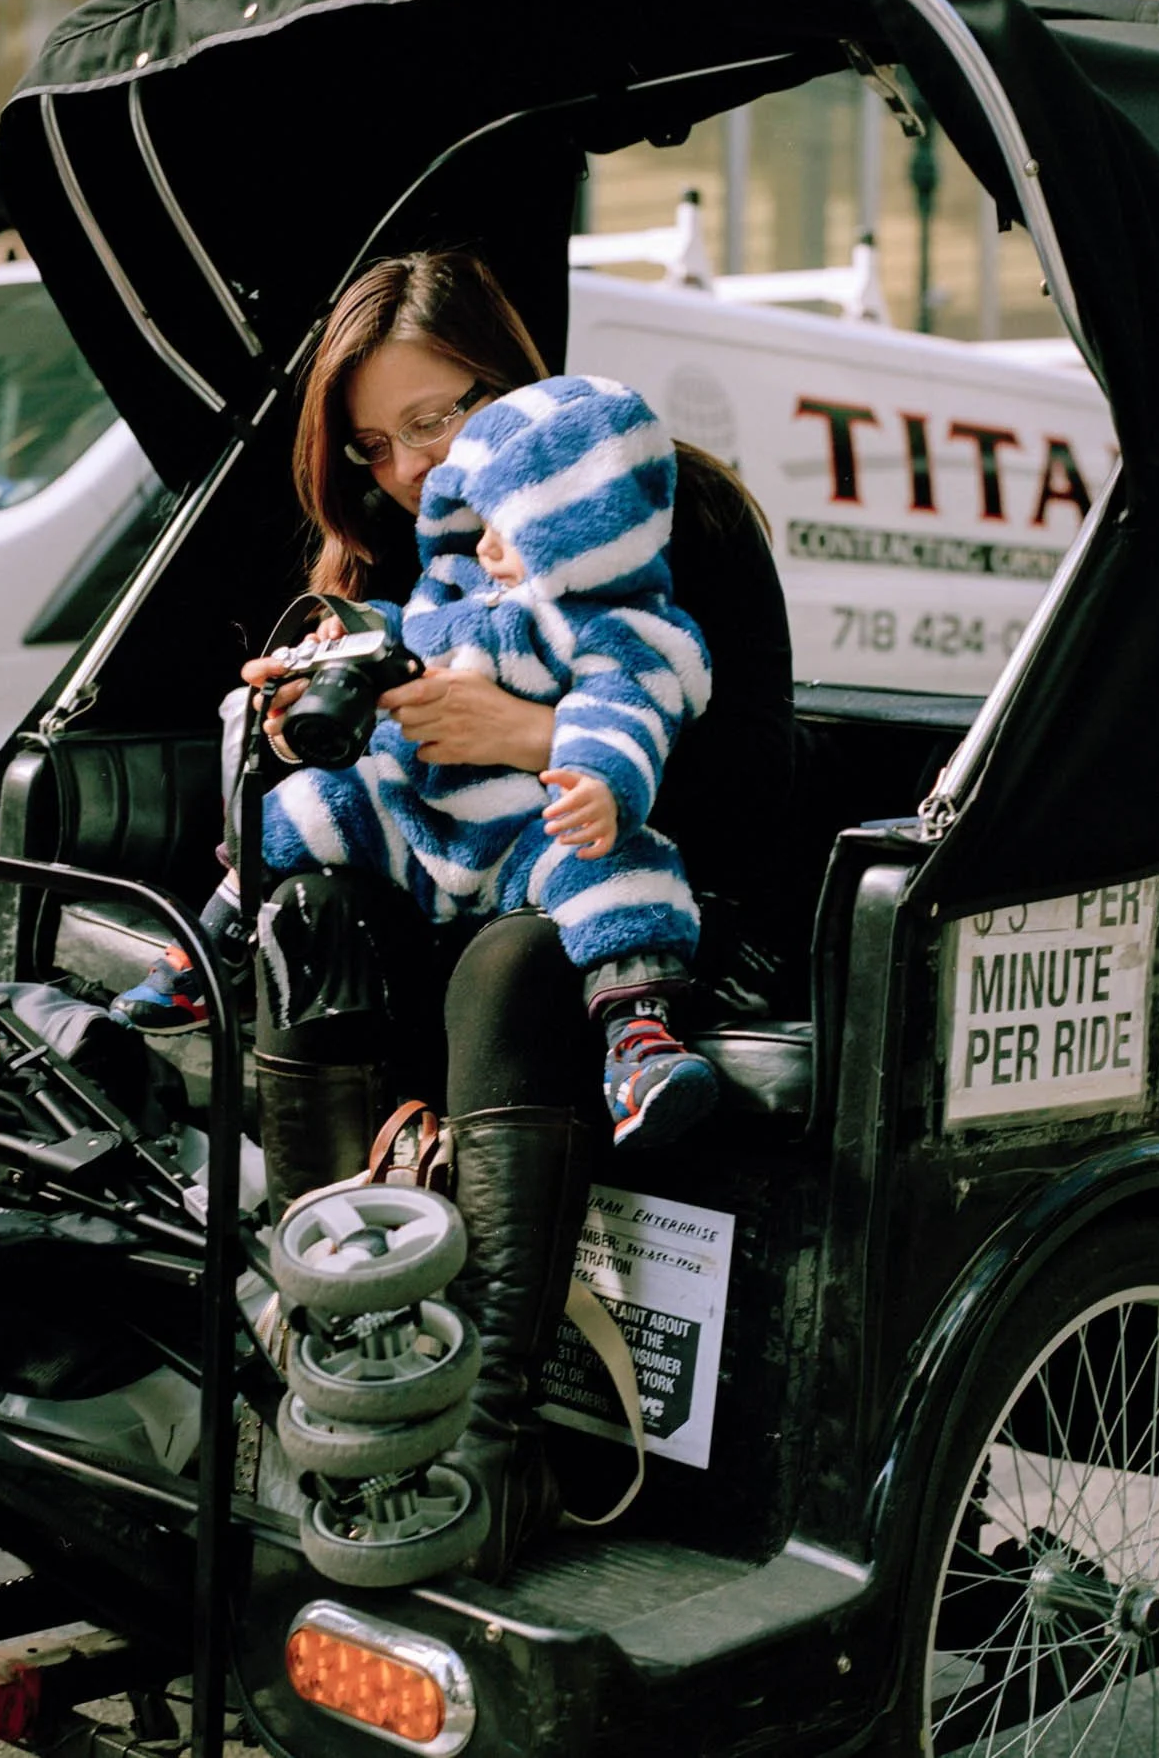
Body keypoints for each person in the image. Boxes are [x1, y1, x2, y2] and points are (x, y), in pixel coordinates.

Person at [193, 251, 793, 1580]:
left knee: (512, 963)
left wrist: (530, 738)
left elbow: (763, 774)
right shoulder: (391, 550)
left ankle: (485, 1442)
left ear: (506, 381)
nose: (408, 467)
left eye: (433, 419)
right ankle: (344, 1374)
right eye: (374, 445)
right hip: (440, 891)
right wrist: (294, 728)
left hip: (632, 904)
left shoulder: (662, 504)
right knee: (310, 908)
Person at [126, 374, 725, 1149]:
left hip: (529, 836)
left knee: (624, 873)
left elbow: (626, 704)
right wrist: (332, 660)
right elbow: (399, 636)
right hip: (414, 818)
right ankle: (207, 951)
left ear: (575, 524)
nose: (484, 545)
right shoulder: (452, 591)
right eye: (373, 445)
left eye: (509, 527)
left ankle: (639, 1042)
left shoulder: (618, 626)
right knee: (304, 810)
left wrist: (598, 778)